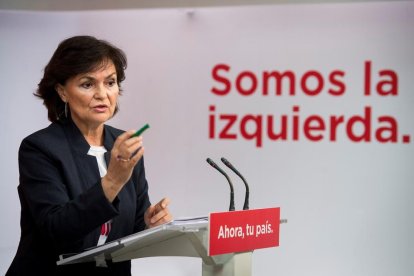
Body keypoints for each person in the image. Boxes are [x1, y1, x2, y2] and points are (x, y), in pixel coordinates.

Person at [6, 36, 172, 275]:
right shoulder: (39, 148)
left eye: (110, 82)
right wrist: (113, 181)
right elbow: (58, 230)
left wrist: (149, 222)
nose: (102, 94)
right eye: (87, 84)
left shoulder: (124, 144)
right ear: (62, 91)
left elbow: (128, 229)